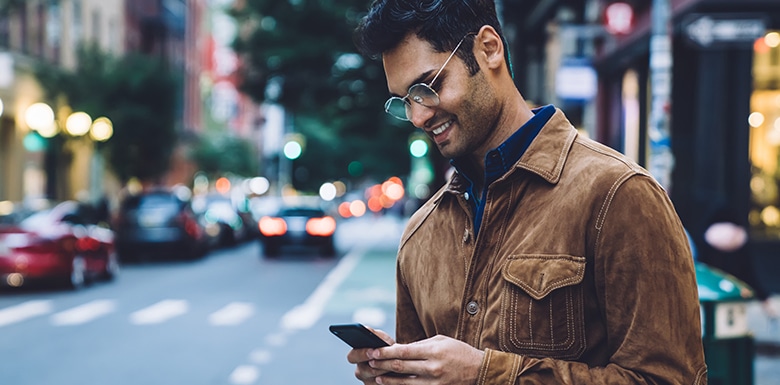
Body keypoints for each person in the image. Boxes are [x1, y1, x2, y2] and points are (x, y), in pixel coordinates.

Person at [347, 0, 707, 384]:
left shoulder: (617, 194)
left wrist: (487, 375)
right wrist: (396, 373)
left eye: (428, 87)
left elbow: (671, 379)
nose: (419, 116)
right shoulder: (420, 234)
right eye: (406, 100)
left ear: (489, 49)